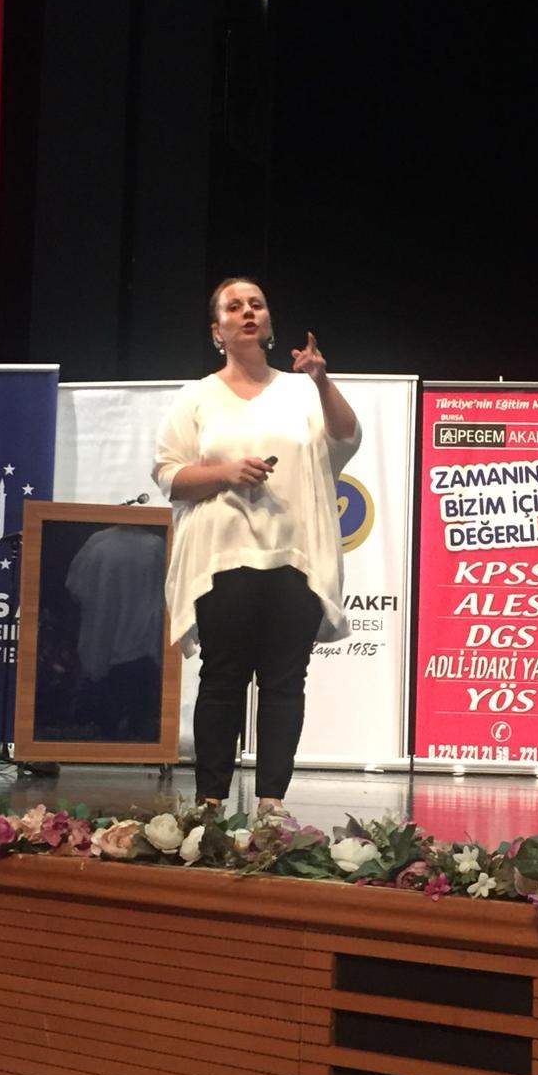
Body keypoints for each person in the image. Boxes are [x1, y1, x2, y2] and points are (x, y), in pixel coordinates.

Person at [152, 277, 360, 812]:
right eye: (234, 306)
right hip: (223, 557)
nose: (247, 312)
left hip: (293, 556)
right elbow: (170, 476)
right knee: (222, 678)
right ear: (216, 329)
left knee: (284, 682)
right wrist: (225, 472)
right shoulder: (197, 396)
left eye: (257, 304)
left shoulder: (300, 390)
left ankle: (271, 803)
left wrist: (321, 379)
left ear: (267, 321)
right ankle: (210, 802)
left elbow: (345, 438)